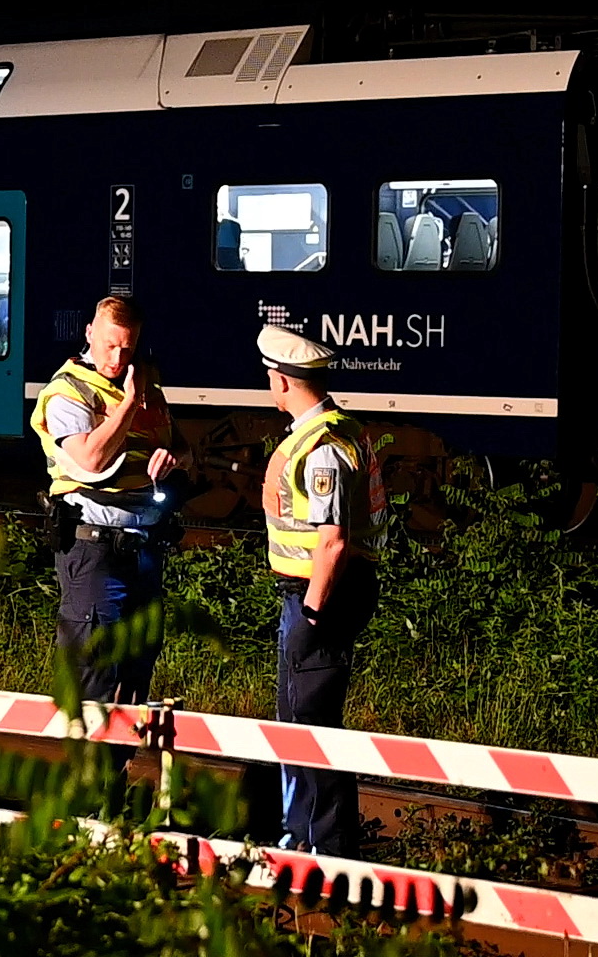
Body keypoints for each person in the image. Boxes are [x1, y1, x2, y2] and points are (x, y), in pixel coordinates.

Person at [258, 324, 388, 856]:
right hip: (326, 595)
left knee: (308, 727)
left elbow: (331, 543)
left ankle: (322, 847)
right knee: (304, 720)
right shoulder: (340, 430)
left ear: (282, 381)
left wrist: (311, 614)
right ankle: (313, 838)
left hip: (321, 598)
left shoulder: (322, 448)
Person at [28, 295, 185, 710]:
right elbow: (89, 459)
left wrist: (173, 458)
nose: (118, 357)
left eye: (128, 347)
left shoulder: (146, 384)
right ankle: (86, 770)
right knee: (94, 671)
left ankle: (115, 770)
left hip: (144, 549)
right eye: (110, 344)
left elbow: (188, 450)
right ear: (89, 334)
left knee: (137, 667)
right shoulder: (67, 391)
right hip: (93, 549)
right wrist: (129, 405)